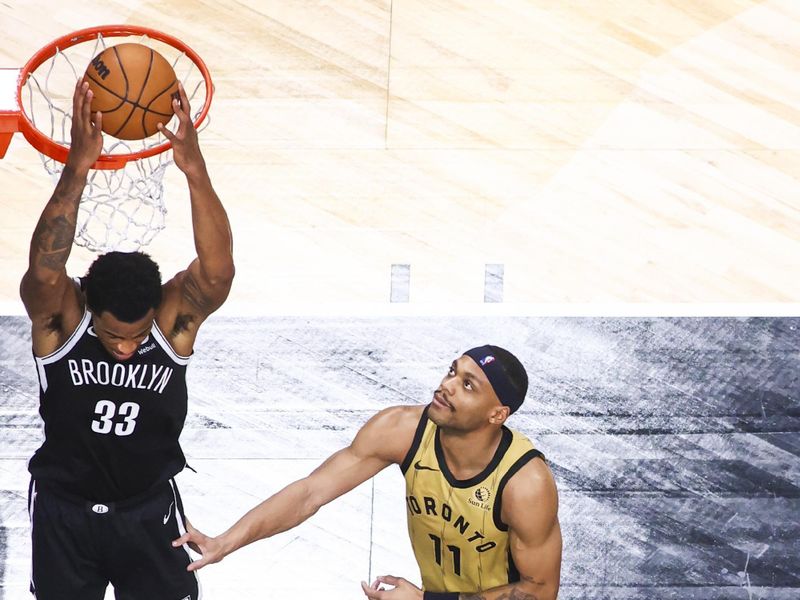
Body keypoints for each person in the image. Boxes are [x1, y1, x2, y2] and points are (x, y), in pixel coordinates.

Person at [20, 78, 234, 600]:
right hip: (64, 511)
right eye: (114, 336)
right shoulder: (62, 322)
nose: (125, 347)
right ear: (89, 308)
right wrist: (78, 167)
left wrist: (195, 170)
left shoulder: (173, 321)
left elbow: (218, 272)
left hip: (147, 509)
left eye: (136, 338)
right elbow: (45, 274)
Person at [175, 345, 562, 600]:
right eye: (451, 372)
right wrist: (225, 542)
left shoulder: (524, 483)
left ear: (497, 415)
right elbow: (311, 493)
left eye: (467, 385)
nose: (445, 387)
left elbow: (539, 592)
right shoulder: (401, 429)